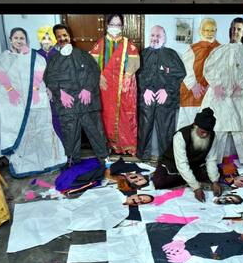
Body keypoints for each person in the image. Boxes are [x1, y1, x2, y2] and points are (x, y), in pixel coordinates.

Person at [0, 27, 66, 177]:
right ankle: (24, 166)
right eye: (16, 38)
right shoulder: (4, 57)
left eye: (22, 38)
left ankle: (47, 163)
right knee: (23, 134)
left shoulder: (33, 56)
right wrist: (10, 90)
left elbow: (39, 71)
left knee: (41, 130)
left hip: (34, 101)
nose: (19, 41)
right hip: (15, 104)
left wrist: (35, 89)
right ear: (11, 39)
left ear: (26, 40)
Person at [44, 24, 109, 166]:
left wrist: (87, 88)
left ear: (70, 36)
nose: (62, 38)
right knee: (70, 134)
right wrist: (60, 92)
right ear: (56, 39)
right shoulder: (53, 61)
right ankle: (72, 162)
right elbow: (48, 79)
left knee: (96, 132)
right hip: (68, 105)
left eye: (64, 35)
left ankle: (104, 158)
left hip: (86, 103)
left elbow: (94, 72)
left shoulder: (84, 55)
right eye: (59, 36)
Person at [199, 18, 243, 166]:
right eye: (233, 28)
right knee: (219, 129)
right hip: (221, 96)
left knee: (239, 131)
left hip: (239, 96)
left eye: (238, 29)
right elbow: (208, 68)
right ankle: (214, 162)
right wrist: (216, 84)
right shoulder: (219, 50)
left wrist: (241, 85)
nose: (235, 32)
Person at [89, 14, 141, 155]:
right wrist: (98, 77)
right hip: (104, 88)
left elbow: (134, 63)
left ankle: (124, 146)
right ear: (107, 25)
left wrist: (127, 77)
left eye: (118, 25)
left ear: (122, 27)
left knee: (124, 117)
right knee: (105, 116)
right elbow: (91, 65)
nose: (115, 28)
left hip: (122, 89)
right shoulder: (100, 44)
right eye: (112, 24)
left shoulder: (127, 44)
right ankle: (107, 146)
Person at [137, 25, 187, 159]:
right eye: (152, 35)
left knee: (166, 130)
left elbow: (180, 74)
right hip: (146, 100)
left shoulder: (171, 55)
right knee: (144, 128)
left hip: (166, 100)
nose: (154, 38)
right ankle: (143, 157)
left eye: (158, 36)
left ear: (164, 38)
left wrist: (167, 90)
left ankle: (167, 159)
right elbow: (135, 76)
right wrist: (144, 90)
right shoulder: (142, 54)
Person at [153, 108, 222, 203]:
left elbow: (211, 159)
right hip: (173, 164)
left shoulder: (212, 137)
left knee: (218, 174)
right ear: (195, 125)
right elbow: (181, 163)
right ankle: (189, 179)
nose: (205, 135)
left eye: (207, 133)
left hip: (195, 166)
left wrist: (215, 181)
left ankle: (187, 178)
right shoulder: (181, 135)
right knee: (159, 182)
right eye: (202, 132)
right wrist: (196, 187)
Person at [160, 221, 243, 263]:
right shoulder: (225, 228)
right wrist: (180, 239)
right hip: (170, 244)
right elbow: (197, 225)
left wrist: (191, 259)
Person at [177, 18, 220, 129]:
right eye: (206, 30)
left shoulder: (221, 49)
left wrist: (211, 87)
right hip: (191, 96)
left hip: (212, 97)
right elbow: (185, 69)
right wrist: (193, 85)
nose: (209, 33)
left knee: (209, 130)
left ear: (216, 31)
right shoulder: (192, 49)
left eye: (212, 30)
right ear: (201, 30)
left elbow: (222, 71)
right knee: (187, 130)